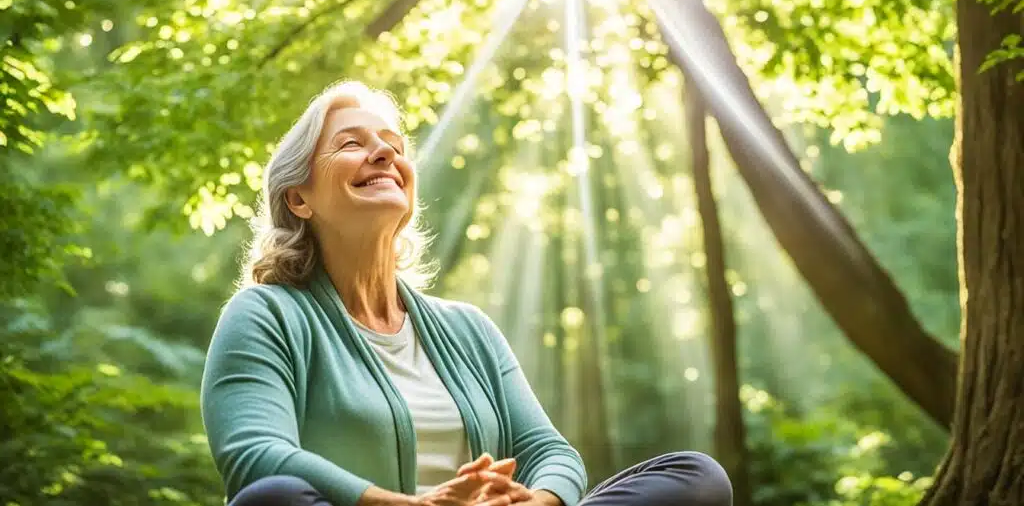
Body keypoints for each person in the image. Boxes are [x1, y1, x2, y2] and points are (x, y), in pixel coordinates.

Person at [200, 81, 733, 506]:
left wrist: (538, 500)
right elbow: (256, 455)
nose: (383, 153)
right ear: (299, 198)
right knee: (273, 497)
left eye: (393, 145)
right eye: (351, 143)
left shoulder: (467, 329)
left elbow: (549, 452)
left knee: (695, 477)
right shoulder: (265, 314)